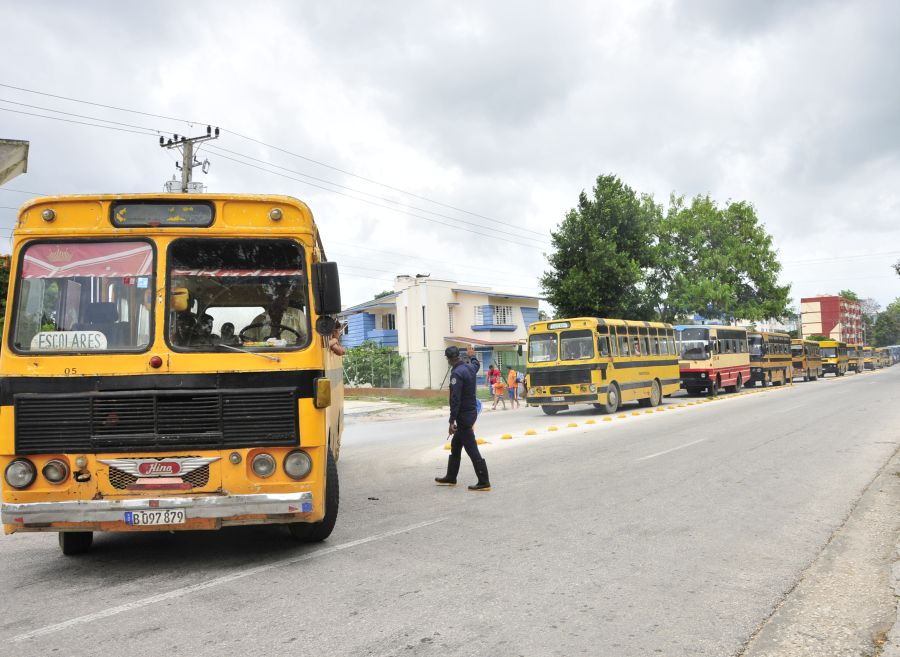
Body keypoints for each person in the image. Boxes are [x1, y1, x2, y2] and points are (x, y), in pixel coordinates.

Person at [435, 344, 491, 491]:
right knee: (456, 445)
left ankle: (484, 481)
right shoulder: (469, 368)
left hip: (463, 416)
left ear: (449, 359)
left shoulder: (457, 374)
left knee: (472, 448)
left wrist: (451, 420)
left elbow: (455, 399)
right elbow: (476, 364)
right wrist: (472, 355)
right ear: (458, 356)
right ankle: (451, 477)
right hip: (471, 412)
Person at [244, 293, 308, 344]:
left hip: (293, 355)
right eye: (279, 297)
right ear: (270, 300)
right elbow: (247, 340)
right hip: (264, 355)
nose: (284, 299)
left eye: (286, 296)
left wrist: (301, 341)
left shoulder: (297, 314)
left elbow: (308, 336)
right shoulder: (259, 319)